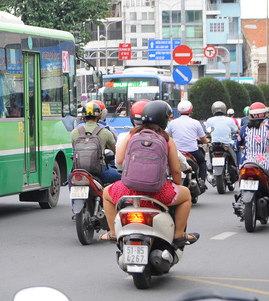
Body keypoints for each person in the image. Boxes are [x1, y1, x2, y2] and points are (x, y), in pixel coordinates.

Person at [101, 100, 198, 245]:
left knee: (106, 193)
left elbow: (119, 160)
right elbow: (176, 170)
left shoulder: (132, 134)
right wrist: (176, 186)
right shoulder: (166, 139)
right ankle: (178, 234)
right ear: (164, 119)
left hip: (128, 190)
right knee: (186, 196)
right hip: (158, 192)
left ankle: (113, 233)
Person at [237, 102, 269, 200]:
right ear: (264, 115)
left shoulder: (244, 129)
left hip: (246, 162)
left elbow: (237, 145)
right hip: (264, 163)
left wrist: (242, 147)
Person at [71, 101, 121, 184]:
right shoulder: (105, 132)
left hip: (79, 170)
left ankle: (73, 196)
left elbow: (74, 148)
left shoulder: (75, 132)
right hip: (101, 170)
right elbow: (115, 151)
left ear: (83, 116)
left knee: (71, 178)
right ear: (100, 115)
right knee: (122, 178)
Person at [166, 100, 208, 188]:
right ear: (190, 111)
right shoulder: (196, 122)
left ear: (178, 111)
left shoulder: (173, 123)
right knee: (202, 162)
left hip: (177, 152)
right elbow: (203, 138)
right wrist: (206, 141)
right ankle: (202, 181)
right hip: (193, 151)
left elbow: (166, 136)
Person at [204, 101, 239, 167]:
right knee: (238, 150)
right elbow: (236, 130)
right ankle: (238, 166)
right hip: (228, 144)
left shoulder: (209, 120)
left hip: (214, 145)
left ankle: (211, 166)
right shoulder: (230, 120)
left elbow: (207, 132)